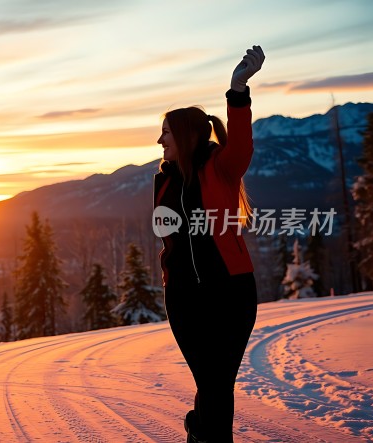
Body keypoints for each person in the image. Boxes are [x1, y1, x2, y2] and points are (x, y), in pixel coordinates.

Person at [152, 46, 265, 442]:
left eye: (165, 132)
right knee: (212, 383)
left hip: (231, 291)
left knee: (218, 383)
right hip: (184, 298)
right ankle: (202, 429)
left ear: (184, 134)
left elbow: (243, 146)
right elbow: (166, 233)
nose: (158, 140)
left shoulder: (222, 165)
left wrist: (237, 90)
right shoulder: (163, 181)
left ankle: (200, 430)